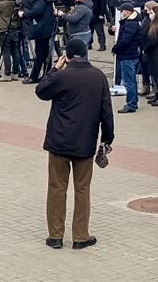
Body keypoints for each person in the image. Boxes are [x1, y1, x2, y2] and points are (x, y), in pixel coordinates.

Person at [35, 38, 113, 250]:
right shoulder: (98, 76)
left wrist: (54, 69)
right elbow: (106, 111)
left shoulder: (62, 76)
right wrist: (107, 139)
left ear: (66, 56)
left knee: (56, 188)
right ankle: (80, 236)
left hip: (59, 140)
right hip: (85, 141)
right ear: (86, 53)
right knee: (82, 189)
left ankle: (55, 236)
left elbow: (41, 91)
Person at [20, 0, 55, 84]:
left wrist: (24, 13)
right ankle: (46, 75)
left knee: (40, 53)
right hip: (47, 27)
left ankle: (35, 76)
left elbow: (37, 10)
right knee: (45, 54)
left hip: (42, 28)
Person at [112, 3, 144, 113]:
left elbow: (125, 40)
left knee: (128, 81)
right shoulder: (132, 22)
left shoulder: (130, 24)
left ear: (128, 12)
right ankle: (133, 102)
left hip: (127, 55)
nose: (121, 13)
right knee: (132, 80)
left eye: (123, 11)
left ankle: (131, 104)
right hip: (131, 54)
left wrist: (115, 48)